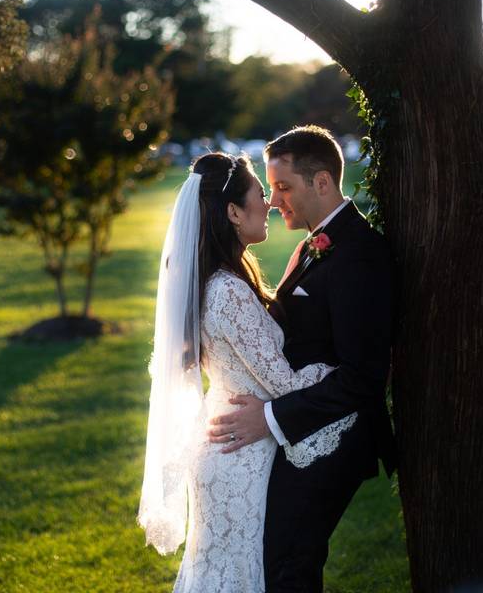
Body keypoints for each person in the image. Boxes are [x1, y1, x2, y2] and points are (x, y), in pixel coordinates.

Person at [138, 151, 358, 592]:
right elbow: (285, 385)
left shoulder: (217, 282)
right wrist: (346, 370)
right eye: (262, 193)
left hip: (229, 446)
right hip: (238, 455)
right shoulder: (228, 294)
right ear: (234, 212)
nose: (271, 203)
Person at [207, 125, 396, 592]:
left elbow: (362, 377)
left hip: (339, 433)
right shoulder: (313, 245)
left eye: (284, 187)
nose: (273, 200)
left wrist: (270, 418)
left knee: (289, 561)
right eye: (270, 189)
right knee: (282, 559)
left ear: (323, 183)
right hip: (306, 424)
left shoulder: (360, 254)